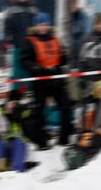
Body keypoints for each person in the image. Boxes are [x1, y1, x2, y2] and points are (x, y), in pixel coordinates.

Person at [20, 12, 71, 149]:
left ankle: (64, 138)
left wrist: (64, 58)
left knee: (65, 106)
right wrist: (36, 67)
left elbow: (61, 58)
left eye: (44, 24)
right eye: (39, 24)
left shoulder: (55, 39)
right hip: (41, 79)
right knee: (39, 110)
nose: (42, 27)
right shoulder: (29, 40)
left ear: (49, 25)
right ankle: (41, 141)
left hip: (56, 77)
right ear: (35, 26)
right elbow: (24, 60)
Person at [3, 0, 38, 90]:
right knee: (18, 67)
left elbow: (39, 25)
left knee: (31, 66)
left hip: (32, 45)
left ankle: (31, 89)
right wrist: (7, 38)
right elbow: (7, 26)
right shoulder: (11, 10)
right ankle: (17, 90)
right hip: (18, 43)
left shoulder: (33, 10)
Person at [79, 13, 101, 82]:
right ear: (94, 24)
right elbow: (82, 60)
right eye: (98, 23)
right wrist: (82, 78)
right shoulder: (87, 39)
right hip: (91, 79)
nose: (100, 26)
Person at [69, 0, 89, 70]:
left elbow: (87, 32)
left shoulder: (84, 17)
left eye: (75, 4)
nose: (73, 6)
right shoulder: (66, 18)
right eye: (71, 4)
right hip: (70, 55)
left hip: (81, 53)